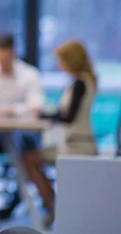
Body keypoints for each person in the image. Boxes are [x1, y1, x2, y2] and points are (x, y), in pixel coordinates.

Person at [22, 39, 97, 227]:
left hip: (77, 146)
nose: (59, 64)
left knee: (29, 159)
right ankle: (53, 204)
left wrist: (42, 114)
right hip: (72, 143)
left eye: (62, 60)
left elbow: (68, 116)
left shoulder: (80, 83)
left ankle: (53, 204)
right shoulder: (82, 82)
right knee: (29, 158)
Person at [0, 33, 45, 217]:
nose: (2, 62)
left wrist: (11, 110)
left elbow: (35, 108)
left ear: (13, 54)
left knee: (26, 148)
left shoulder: (29, 74)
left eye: (6, 58)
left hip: (22, 134)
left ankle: (16, 200)